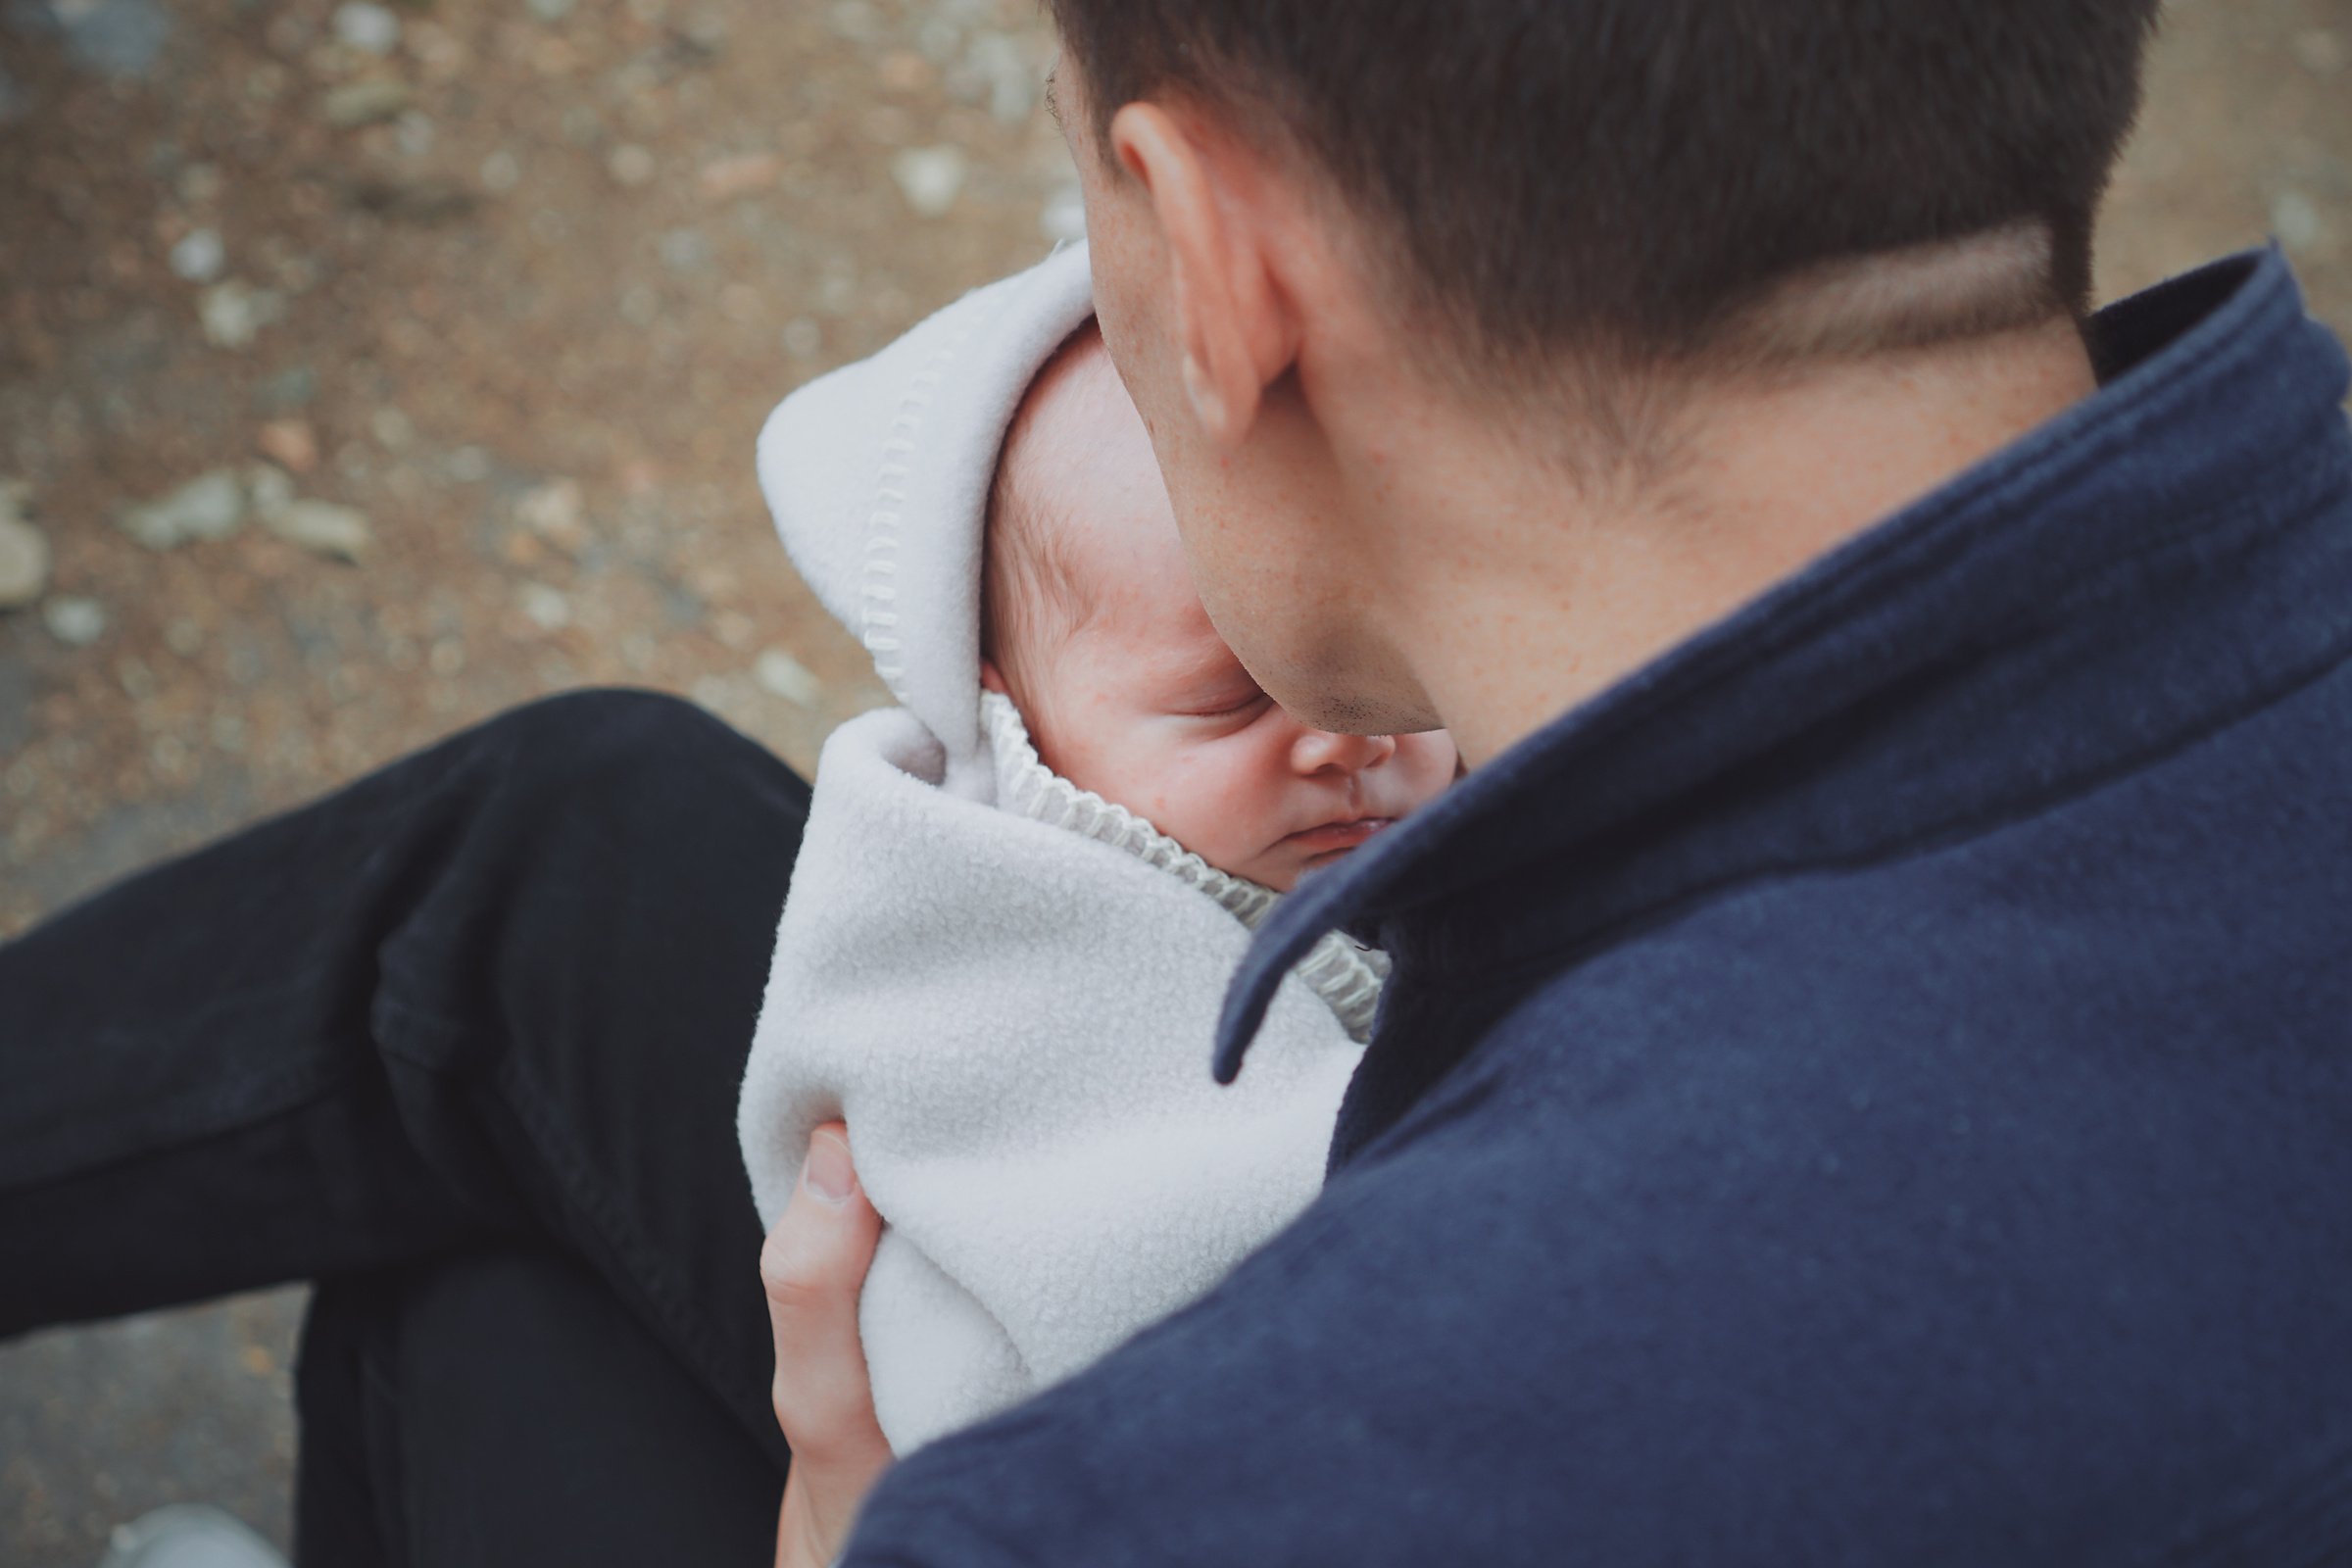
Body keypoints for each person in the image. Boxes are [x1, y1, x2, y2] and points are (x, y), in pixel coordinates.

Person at [3, 0, 2347, 1564]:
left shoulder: (1178, 1502)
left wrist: (850, 1513)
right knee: (570, 856)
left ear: (1214, 262)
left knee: (471, 1314)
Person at [738, 255, 1453, 1456]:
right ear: (1006, 697)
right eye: (1237, 698)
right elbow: (1157, 1237)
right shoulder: (983, 923)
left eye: (1392, 653)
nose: (1348, 735)